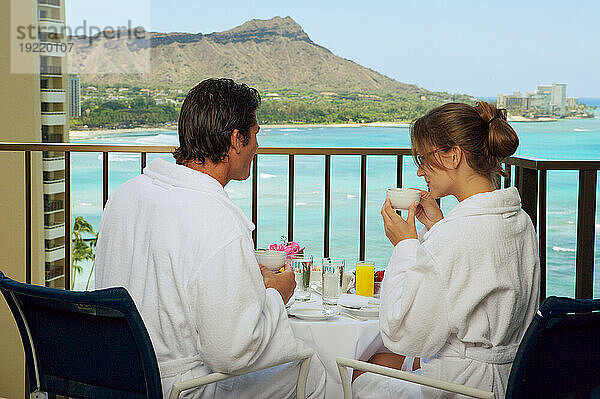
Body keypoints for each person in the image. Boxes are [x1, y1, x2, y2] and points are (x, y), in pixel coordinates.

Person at [94, 78, 326, 398]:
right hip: (178, 388)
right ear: (236, 139)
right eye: (255, 134)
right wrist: (276, 295)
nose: (258, 146)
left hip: (113, 378)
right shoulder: (217, 218)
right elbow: (231, 353)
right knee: (313, 371)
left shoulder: (125, 195)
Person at [352, 102, 540, 398]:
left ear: (453, 156)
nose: (419, 171)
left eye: (423, 159)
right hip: (511, 380)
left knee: (358, 376)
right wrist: (437, 226)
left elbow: (404, 334)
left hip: (460, 388)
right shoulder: (519, 220)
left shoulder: (457, 233)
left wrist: (405, 245)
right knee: (381, 363)